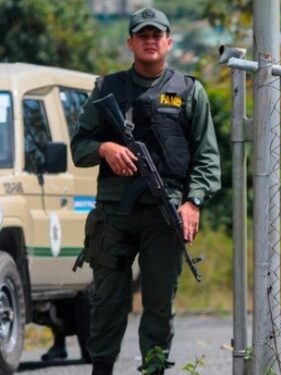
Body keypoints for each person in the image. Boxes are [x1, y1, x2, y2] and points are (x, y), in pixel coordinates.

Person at [70, 7, 221, 375]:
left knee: (158, 302)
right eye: (143, 35)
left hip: (164, 214)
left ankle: (154, 369)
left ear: (169, 42)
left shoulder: (189, 91)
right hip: (114, 213)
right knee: (107, 299)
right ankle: (102, 368)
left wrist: (193, 202)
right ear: (130, 43)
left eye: (157, 35)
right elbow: (80, 147)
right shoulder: (107, 89)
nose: (150, 40)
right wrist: (106, 148)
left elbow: (207, 159)